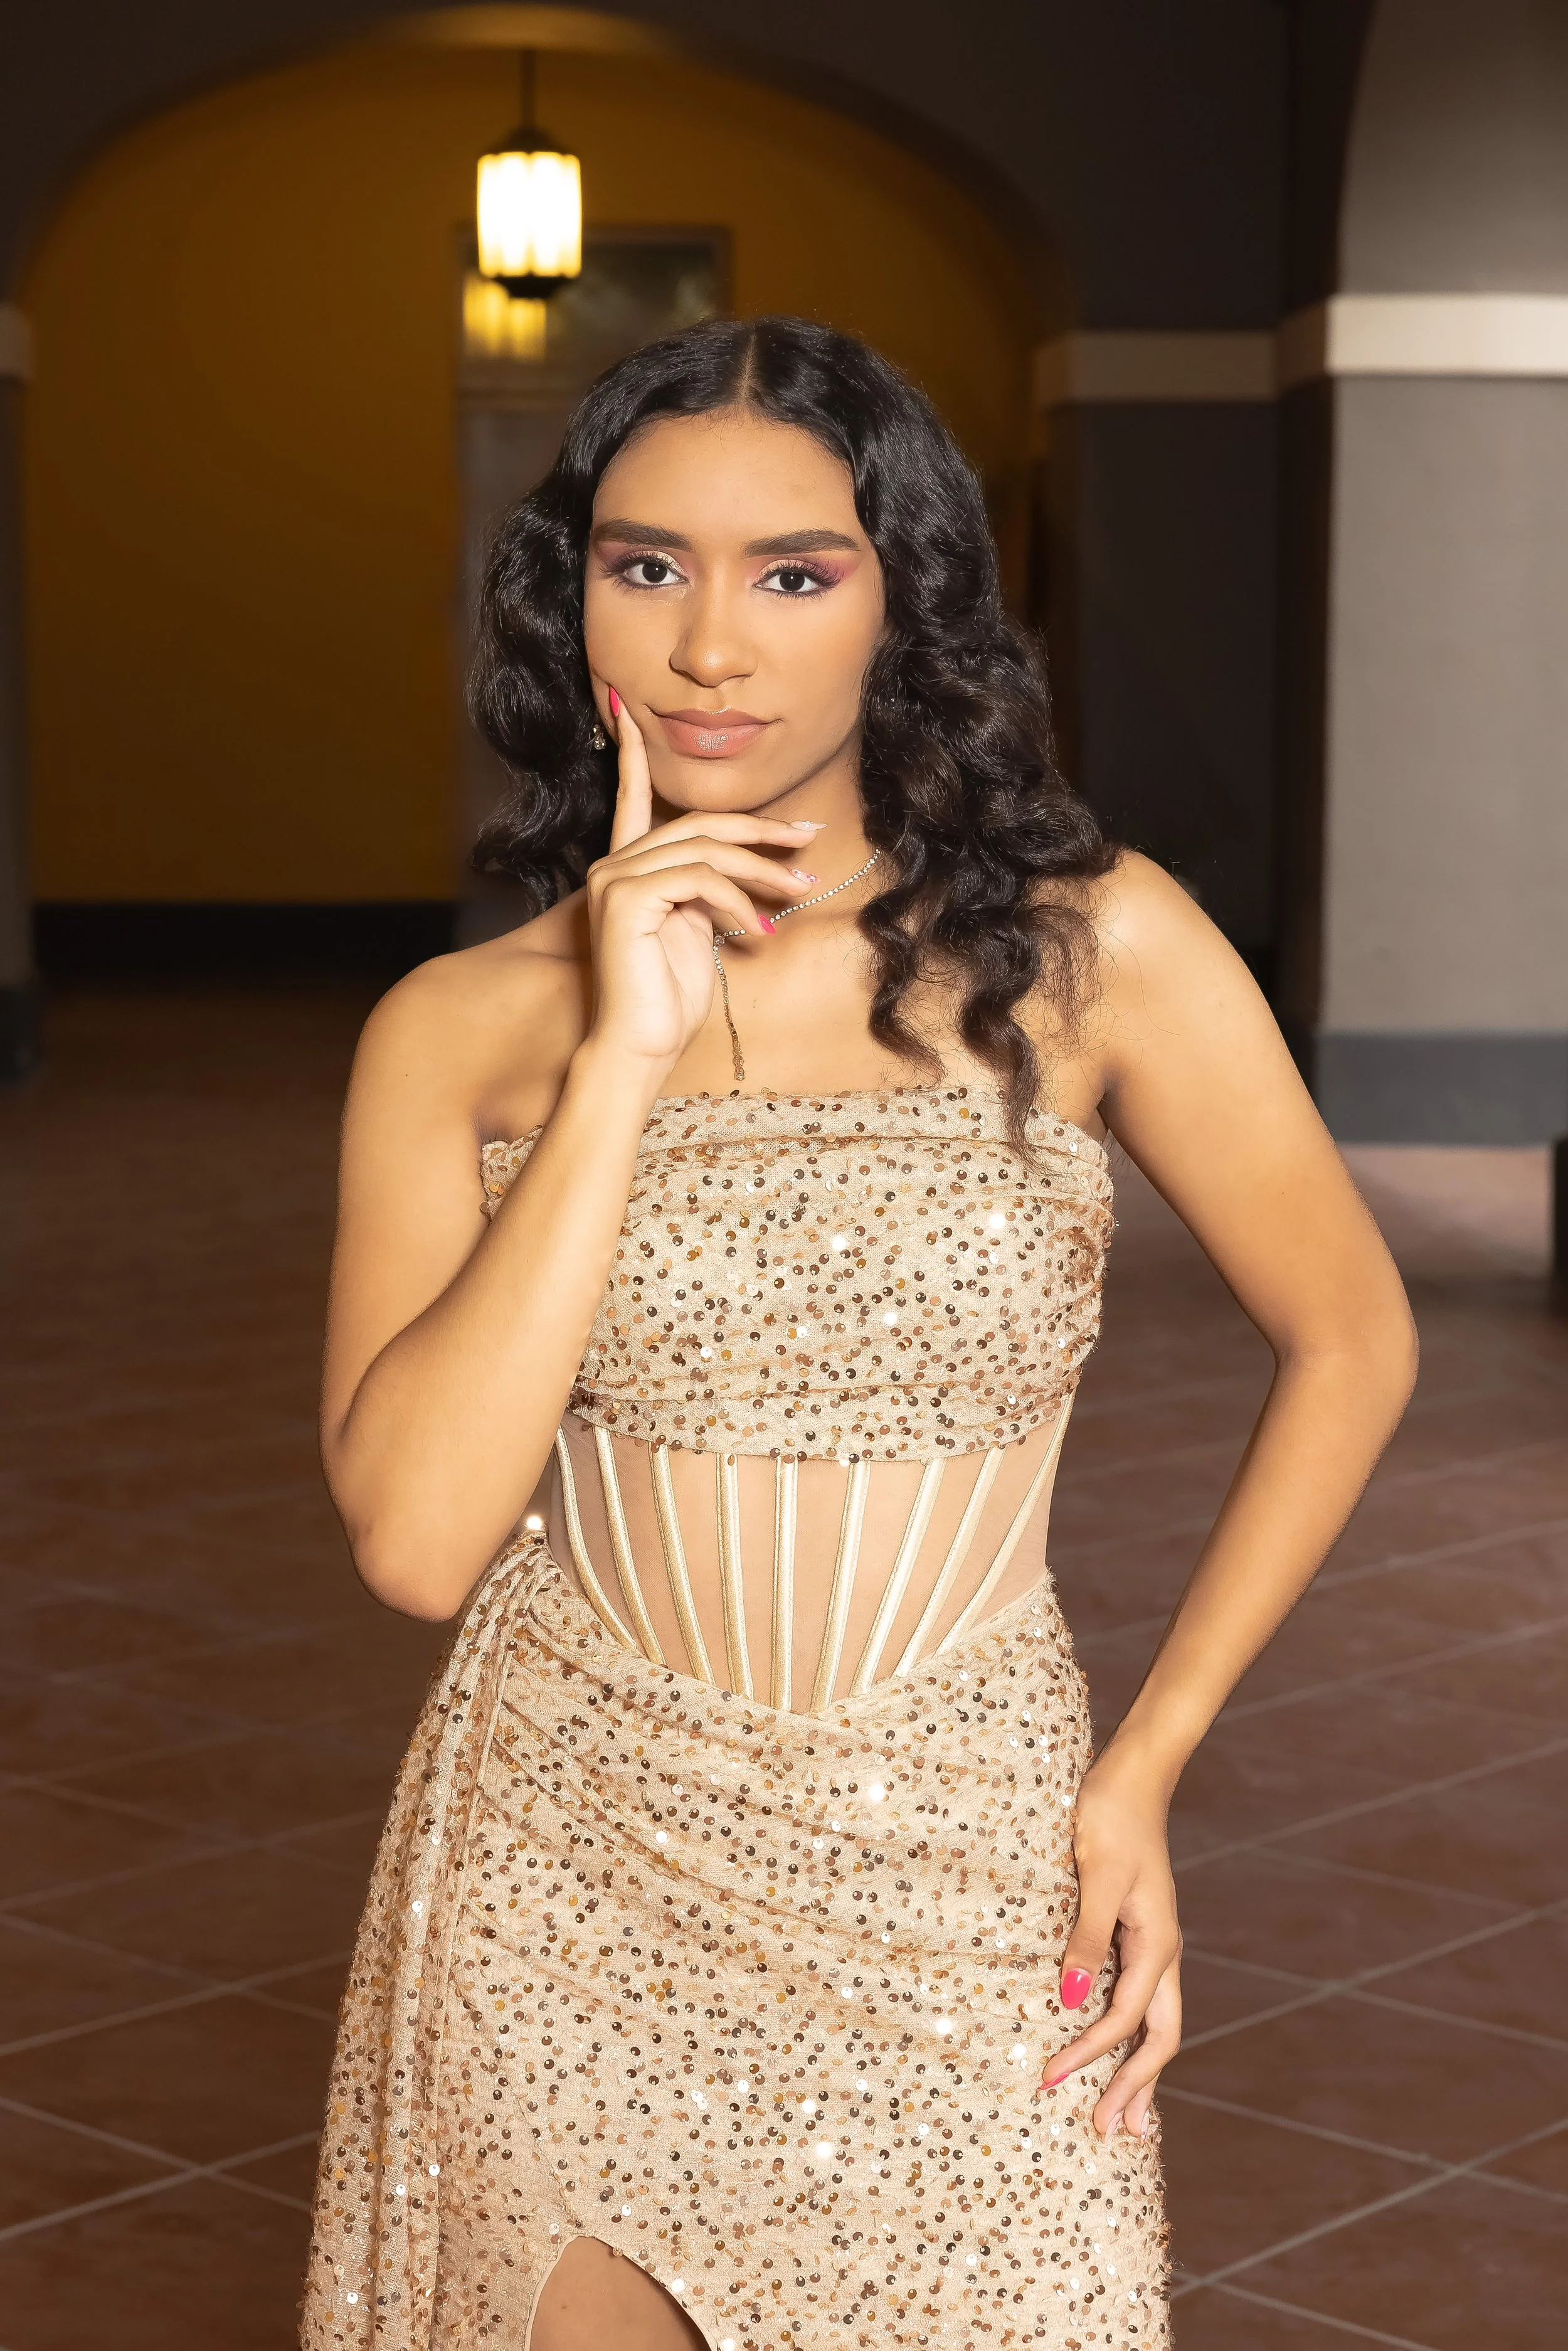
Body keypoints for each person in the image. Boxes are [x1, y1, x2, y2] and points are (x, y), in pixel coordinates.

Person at [300, 316, 1416, 2351]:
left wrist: (1144, 1766)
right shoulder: (458, 1032)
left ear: (905, 604)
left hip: (965, 1848)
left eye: (794, 572)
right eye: (646, 565)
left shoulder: (1097, 949)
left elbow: (1350, 1335)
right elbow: (416, 1544)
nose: (708, 645)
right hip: (571, 1861)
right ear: (571, 596)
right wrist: (619, 1061)